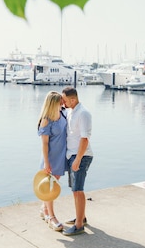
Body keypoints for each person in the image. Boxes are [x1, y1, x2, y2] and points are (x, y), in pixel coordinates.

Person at [61, 86, 93, 236]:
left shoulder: (83, 113)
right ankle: (81, 217)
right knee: (74, 191)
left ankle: (79, 225)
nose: (63, 103)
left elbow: (85, 139)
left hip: (81, 156)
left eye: (65, 100)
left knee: (78, 191)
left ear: (73, 100)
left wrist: (78, 159)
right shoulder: (70, 111)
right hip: (71, 155)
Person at [37, 91, 67, 232]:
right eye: (60, 101)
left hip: (61, 156)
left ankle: (44, 209)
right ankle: (51, 217)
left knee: (53, 186)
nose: (63, 102)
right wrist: (47, 163)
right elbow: (44, 144)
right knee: (51, 188)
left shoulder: (63, 114)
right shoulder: (46, 120)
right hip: (50, 157)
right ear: (53, 102)